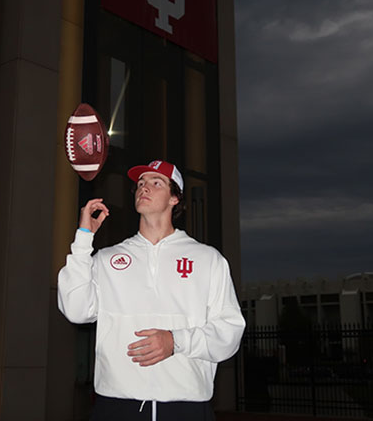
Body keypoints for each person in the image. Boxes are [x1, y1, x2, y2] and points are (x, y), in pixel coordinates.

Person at [58, 160, 245, 421]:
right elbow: (76, 310)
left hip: (186, 408)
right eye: (140, 184)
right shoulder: (107, 258)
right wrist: (82, 240)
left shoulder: (208, 259)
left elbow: (229, 331)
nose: (144, 188)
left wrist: (175, 341)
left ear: (174, 198)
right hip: (116, 407)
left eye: (156, 183)